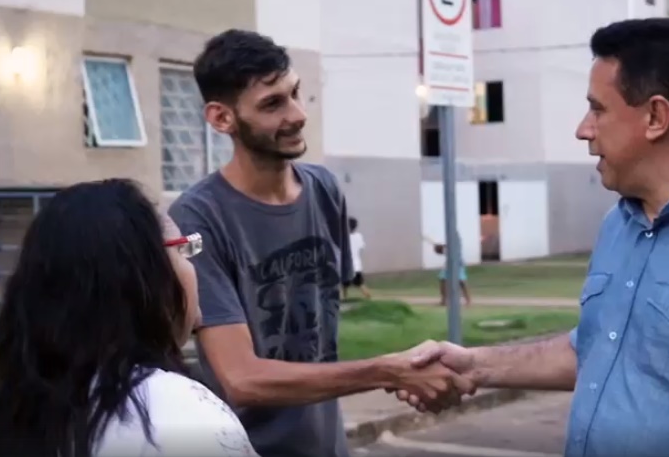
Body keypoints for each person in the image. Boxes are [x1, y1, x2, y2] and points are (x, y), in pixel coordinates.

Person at [399, 18, 669, 457]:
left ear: (655, 116)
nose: (583, 129)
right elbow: (596, 347)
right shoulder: (620, 224)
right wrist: (475, 366)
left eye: (598, 109)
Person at [168, 29, 473, 457]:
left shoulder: (324, 189)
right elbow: (242, 378)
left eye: (295, 93)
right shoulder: (199, 217)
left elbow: (320, 336)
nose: (297, 114)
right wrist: (389, 371)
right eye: (273, 104)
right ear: (222, 118)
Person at [0, 179, 257, 457]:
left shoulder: (31, 410)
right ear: (146, 275)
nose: (193, 266)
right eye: (184, 249)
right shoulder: (179, 412)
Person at [433, 238, 471, 306]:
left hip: (458, 265)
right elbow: (441, 251)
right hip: (448, 265)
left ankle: (468, 300)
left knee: (462, 282)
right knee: (442, 280)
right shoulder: (446, 248)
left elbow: (452, 250)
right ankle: (444, 300)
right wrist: (440, 248)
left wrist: (442, 248)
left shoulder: (455, 246)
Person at [342, 216, 372, 299]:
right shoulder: (359, 236)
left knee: (345, 285)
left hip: (347, 266)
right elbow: (362, 247)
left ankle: (345, 299)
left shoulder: (344, 237)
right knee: (360, 284)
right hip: (357, 265)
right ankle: (368, 297)